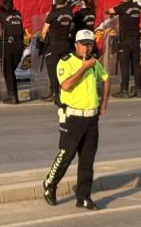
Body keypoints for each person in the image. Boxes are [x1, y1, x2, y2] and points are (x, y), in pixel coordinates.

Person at [42, 29, 109, 211]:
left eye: (90, 44)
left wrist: (104, 103)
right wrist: (84, 68)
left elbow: (106, 78)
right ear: (76, 45)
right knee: (66, 154)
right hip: (72, 116)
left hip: (91, 117)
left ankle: (84, 196)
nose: (87, 48)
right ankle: (50, 183)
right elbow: (66, 85)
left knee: (87, 160)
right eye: (83, 44)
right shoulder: (67, 62)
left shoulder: (94, 63)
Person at [106, 0, 141, 98]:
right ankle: (138, 89)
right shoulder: (137, 7)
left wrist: (116, 9)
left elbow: (109, 11)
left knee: (125, 66)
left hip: (126, 40)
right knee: (136, 66)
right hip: (136, 39)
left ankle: (124, 90)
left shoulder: (122, 7)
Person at [41, 0, 74, 102]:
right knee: (64, 69)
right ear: (65, 2)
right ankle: (65, 91)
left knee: (52, 70)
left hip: (53, 45)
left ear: (56, 2)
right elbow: (71, 27)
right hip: (66, 44)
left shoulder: (52, 14)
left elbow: (44, 31)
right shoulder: (70, 13)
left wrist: (43, 39)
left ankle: (54, 93)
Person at [0, 0, 25, 104]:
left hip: (8, 45)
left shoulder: (1, 15)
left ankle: (12, 96)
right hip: (19, 46)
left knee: (8, 71)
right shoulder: (18, 14)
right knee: (11, 71)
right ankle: (13, 94)